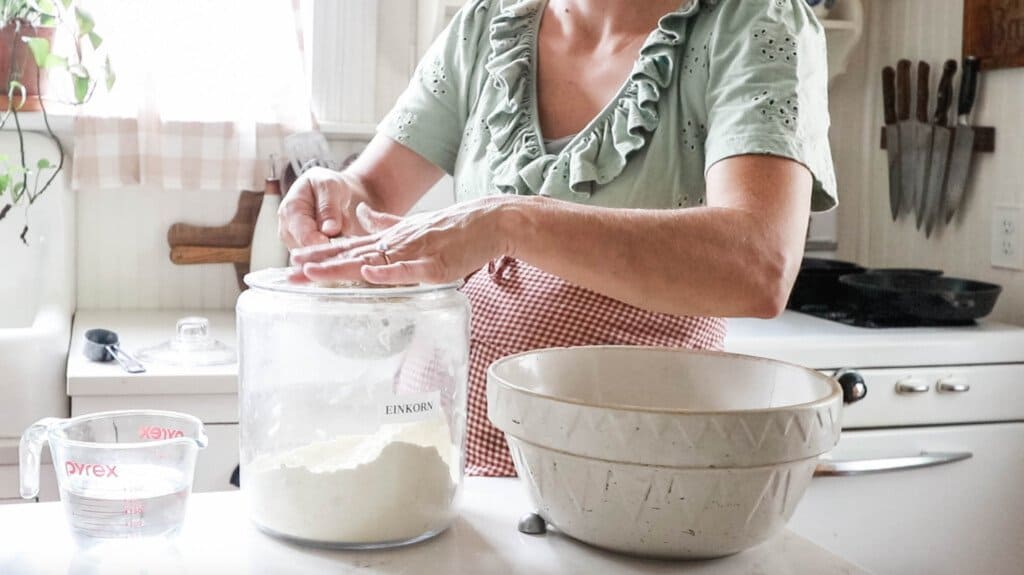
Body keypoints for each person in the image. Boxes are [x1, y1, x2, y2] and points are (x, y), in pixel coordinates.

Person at [279, 0, 836, 476]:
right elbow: (370, 193)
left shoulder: (755, 24)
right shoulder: (489, 24)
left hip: (627, 479)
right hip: (437, 463)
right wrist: (337, 194)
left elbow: (758, 264)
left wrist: (507, 222)